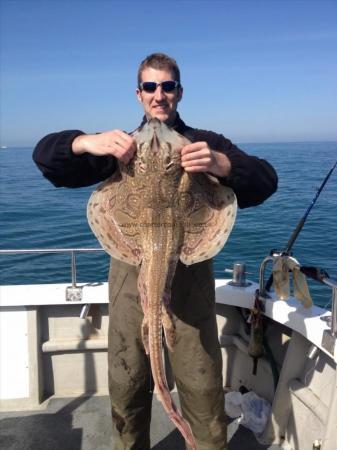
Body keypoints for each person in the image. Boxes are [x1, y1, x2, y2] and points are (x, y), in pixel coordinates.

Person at [33, 53, 278, 450]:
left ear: (179, 92)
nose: (159, 94)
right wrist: (83, 141)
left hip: (190, 278)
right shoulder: (120, 147)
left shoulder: (204, 143)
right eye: (151, 87)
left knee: (201, 385)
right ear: (139, 94)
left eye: (167, 86)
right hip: (131, 275)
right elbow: (46, 158)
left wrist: (221, 164)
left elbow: (266, 181)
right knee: (127, 383)